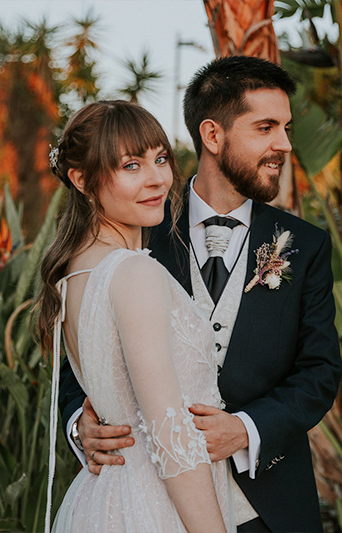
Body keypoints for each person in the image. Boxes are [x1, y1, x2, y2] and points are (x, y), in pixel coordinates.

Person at [60, 56, 342, 532]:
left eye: (286, 128)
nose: (285, 145)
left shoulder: (304, 244)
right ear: (213, 136)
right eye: (266, 127)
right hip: (149, 500)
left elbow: (320, 370)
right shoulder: (136, 227)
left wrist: (247, 429)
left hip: (269, 505)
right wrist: (79, 423)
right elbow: (82, 352)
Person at [38, 100, 235, 532]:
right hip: (154, 506)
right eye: (131, 166)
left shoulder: (75, 270)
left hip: (103, 498)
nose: (157, 179)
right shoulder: (135, 271)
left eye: (160, 159)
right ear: (82, 179)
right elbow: (170, 433)